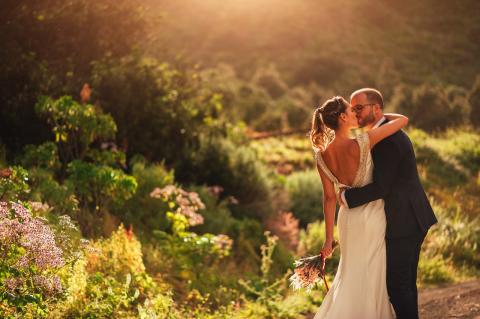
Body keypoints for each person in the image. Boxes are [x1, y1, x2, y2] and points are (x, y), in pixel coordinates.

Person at [339, 88, 438, 319]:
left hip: (405, 219)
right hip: (411, 216)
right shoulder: (387, 131)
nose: (356, 113)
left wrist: (346, 198)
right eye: (353, 109)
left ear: (376, 108)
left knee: (397, 284)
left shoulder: (387, 140)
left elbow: (383, 187)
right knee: (404, 283)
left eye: (359, 108)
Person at [310, 95, 410, 319]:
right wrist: (377, 114)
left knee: (351, 272)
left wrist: (328, 240)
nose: (357, 113)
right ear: (343, 117)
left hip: (346, 220)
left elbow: (329, 199)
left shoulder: (322, 156)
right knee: (372, 273)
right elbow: (403, 120)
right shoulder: (364, 141)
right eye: (352, 110)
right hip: (372, 215)